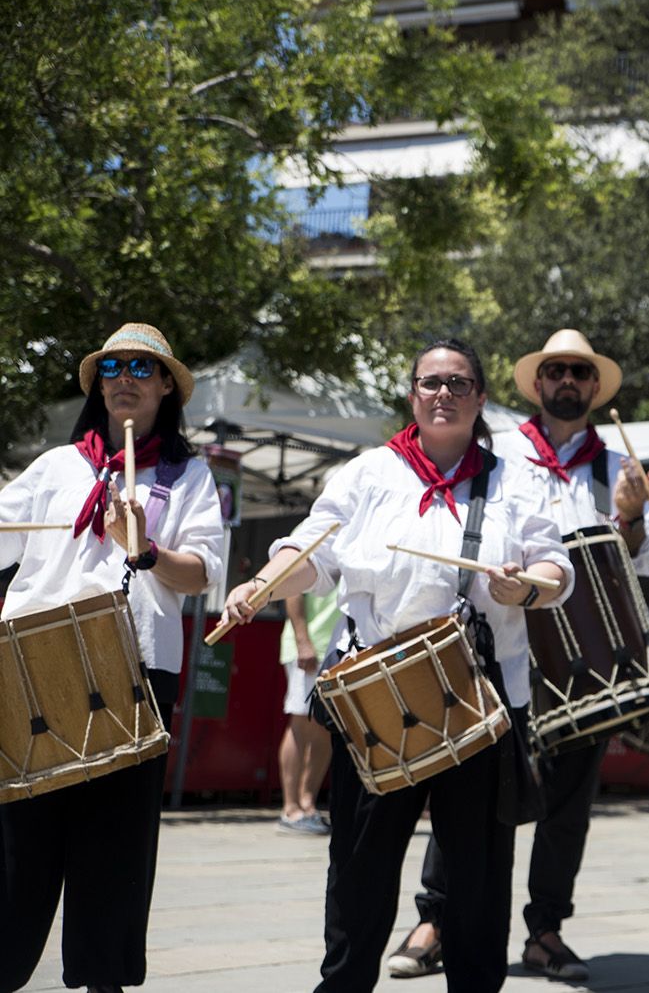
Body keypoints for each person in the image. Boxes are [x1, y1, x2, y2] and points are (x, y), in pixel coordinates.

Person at [222, 338, 573, 993]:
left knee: (476, 875)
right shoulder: (365, 475)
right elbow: (311, 552)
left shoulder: (517, 480)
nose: (444, 394)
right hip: (378, 697)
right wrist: (261, 584)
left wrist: (524, 587)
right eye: (431, 382)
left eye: (459, 383)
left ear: (481, 398)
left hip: (479, 696)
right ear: (412, 393)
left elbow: (557, 569)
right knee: (359, 867)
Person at [390, 328, 649, 983]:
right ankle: (436, 917)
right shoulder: (498, 450)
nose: (566, 381)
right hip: (503, 638)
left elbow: (648, 557)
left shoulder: (616, 464)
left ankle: (546, 928)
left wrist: (629, 518)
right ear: (536, 383)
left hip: (586, 655)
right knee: (466, 782)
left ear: (594, 386)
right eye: (555, 371)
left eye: (579, 371)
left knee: (568, 799)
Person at [0, 323, 224, 993]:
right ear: (100, 384)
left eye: (141, 366)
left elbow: (202, 574)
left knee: (115, 852)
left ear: (164, 386)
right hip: (34, 668)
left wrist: (146, 548)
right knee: (17, 843)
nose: (124, 377)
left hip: (135, 670)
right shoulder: (56, 467)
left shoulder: (188, 475)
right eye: (112, 367)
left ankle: (103, 981)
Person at [277, 589, 339, 834]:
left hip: (334, 650)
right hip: (309, 647)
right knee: (300, 722)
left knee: (325, 726)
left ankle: (307, 804)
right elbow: (292, 592)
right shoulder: (312, 548)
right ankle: (290, 809)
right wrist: (303, 642)